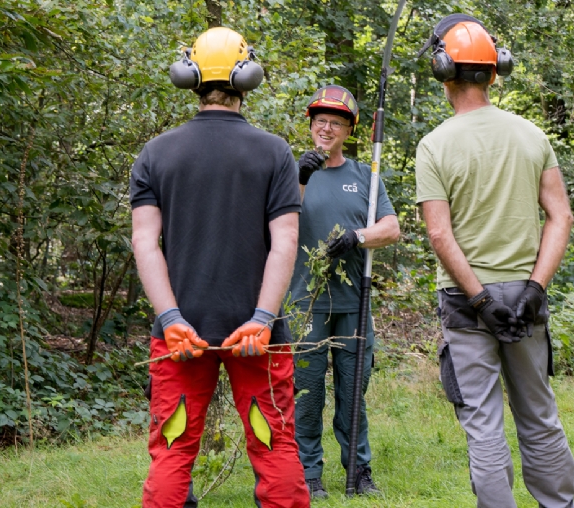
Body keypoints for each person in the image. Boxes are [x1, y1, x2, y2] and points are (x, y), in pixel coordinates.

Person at [131, 26, 309, 508]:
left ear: (189, 75)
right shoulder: (274, 152)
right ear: (246, 77)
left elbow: (145, 243)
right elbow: (285, 240)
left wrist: (171, 320)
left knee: (172, 448)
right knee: (273, 444)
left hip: (180, 336)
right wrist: (262, 320)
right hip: (257, 337)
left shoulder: (156, 153)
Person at [416, 14, 574, 508]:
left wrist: (481, 299)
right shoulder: (531, 136)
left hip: (468, 305)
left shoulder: (434, 145)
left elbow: (439, 234)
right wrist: (535, 287)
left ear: (444, 71)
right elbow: (561, 216)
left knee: (483, 425)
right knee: (539, 415)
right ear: (494, 70)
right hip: (525, 297)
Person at [287, 85, 400, 498]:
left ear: (349, 130)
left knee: (353, 392)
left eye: (336, 123)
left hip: (354, 302)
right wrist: (301, 177)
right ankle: (307, 475)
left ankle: (358, 472)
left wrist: (357, 236)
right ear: (311, 126)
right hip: (306, 302)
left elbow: (391, 228)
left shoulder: (364, 177)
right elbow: (278, 222)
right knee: (307, 392)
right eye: (320, 122)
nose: (326, 129)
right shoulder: (292, 172)